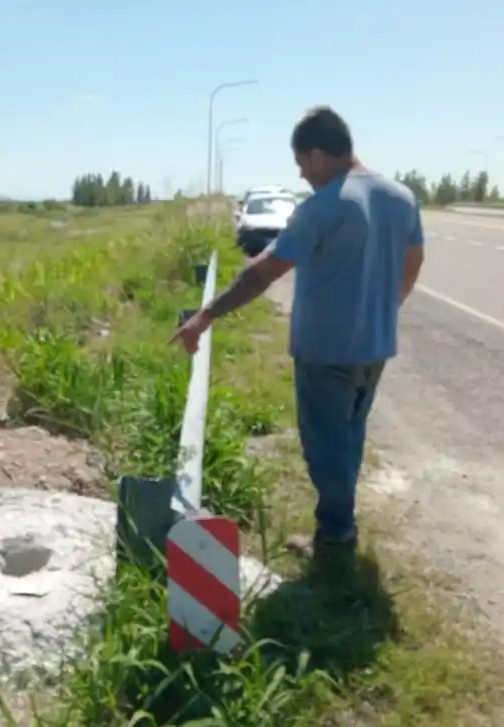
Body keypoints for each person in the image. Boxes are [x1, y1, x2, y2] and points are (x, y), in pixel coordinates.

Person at [170, 106, 425, 554]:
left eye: (302, 164)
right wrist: (386, 307)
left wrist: (204, 315)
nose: (303, 176)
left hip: (327, 352)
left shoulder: (325, 206)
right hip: (375, 346)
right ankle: (340, 522)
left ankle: (335, 537)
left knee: (326, 446)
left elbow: (262, 273)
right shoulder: (400, 197)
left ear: (320, 156)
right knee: (349, 437)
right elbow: (414, 259)